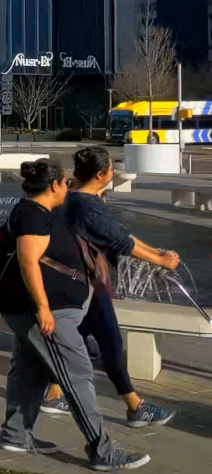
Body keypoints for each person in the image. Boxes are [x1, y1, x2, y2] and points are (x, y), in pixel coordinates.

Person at [0, 159, 148, 470]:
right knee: (77, 377)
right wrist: (43, 308)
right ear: (54, 186)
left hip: (37, 311)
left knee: (29, 371)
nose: (69, 186)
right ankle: (103, 453)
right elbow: (28, 262)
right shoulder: (32, 215)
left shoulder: (39, 212)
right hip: (46, 313)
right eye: (65, 183)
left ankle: (15, 435)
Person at [40, 147, 178, 427]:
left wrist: (158, 253)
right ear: (101, 174)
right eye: (112, 169)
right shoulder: (85, 205)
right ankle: (134, 406)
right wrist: (159, 258)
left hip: (78, 284)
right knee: (111, 343)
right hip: (88, 285)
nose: (114, 173)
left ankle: (53, 394)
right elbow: (122, 242)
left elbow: (119, 234)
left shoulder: (77, 198)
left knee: (76, 336)